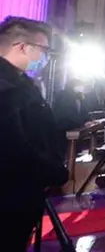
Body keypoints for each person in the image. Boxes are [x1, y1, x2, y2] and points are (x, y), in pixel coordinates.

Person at [0, 17, 69, 250]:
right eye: (43, 49)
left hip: (22, 192)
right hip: (10, 195)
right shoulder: (5, 87)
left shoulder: (21, 82)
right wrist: (53, 171)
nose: (45, 57)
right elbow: (14, 145)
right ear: (22, 47)